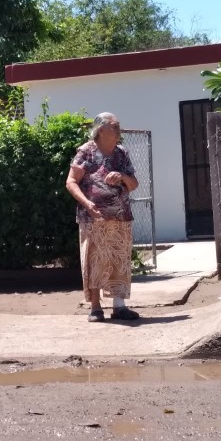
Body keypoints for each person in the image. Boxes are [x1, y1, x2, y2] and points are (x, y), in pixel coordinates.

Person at [65, 112, 141, 322]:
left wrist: (122, 177)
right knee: (94, 260)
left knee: (120, 259)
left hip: (120, 216)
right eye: (113, 125)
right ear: (100, 130)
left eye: (118, 125)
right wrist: (88, 204)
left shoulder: (121, 153)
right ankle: (95, 308)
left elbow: (134, 185)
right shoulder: (86, 151)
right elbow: (71, 182)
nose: (118, 129)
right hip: (93, 216)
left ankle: (119, 306)